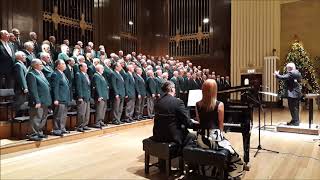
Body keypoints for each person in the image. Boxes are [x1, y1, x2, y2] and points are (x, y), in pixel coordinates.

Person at [195, 79, 245, 178]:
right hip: (214, 137)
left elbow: (200, 122)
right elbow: (220, 125)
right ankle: (229, 171)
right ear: (215, 90)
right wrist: (222, 137)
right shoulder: (219, 104)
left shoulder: (197, 104)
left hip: (201, 138)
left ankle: (208, 171)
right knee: (233, 153)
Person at [152, 81, 197, 147]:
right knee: (192, 136)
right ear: (172, 89)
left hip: (158, 134)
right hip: (172, 136)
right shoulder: (178, 102)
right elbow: (187, 122)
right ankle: (183, 155)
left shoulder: (157, 101)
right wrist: (194, 123)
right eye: (174, 88)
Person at [26, 59, 52, 141]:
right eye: (40, 64)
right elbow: (33, 89)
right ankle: (33, 134)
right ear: (35, 65)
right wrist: (36, 101)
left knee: (43, 117)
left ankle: (39, 132)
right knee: (36, 118)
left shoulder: (41, 73)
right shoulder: (31, 74)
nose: (42, 66)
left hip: (45, 99)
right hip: (38, 101)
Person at [51, 60, 71, 136]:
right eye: (63, 64)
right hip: (59, 99)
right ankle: (56, 129)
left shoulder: (62, 74)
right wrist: (56, 99)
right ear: (58, 65)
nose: (65, 65)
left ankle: (62, 128)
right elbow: (55, 88)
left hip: (65, 98)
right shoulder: (55, 74)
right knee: (58, 115)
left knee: (63, 115)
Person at [75, 63, 91, 132]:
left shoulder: (86, 75)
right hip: (82, 96)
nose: (87, 68)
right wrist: (80, 96)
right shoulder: (78, 74)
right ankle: (80, 126)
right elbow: (79, 86)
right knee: (81, 112)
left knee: (87, 112)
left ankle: (85, 125)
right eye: (85, 67)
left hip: (87, 96)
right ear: (81, 67)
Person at [13, 51, 28, 117]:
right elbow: (21, 77)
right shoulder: (18, 65)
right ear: (19, 57)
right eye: (24, 55)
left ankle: (22, 116)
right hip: (20, 89)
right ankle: (17, 119)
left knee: (23, 103)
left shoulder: (22, 64)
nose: (25, 57)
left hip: (23, 89)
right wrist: (24, 87)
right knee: (20, 104)